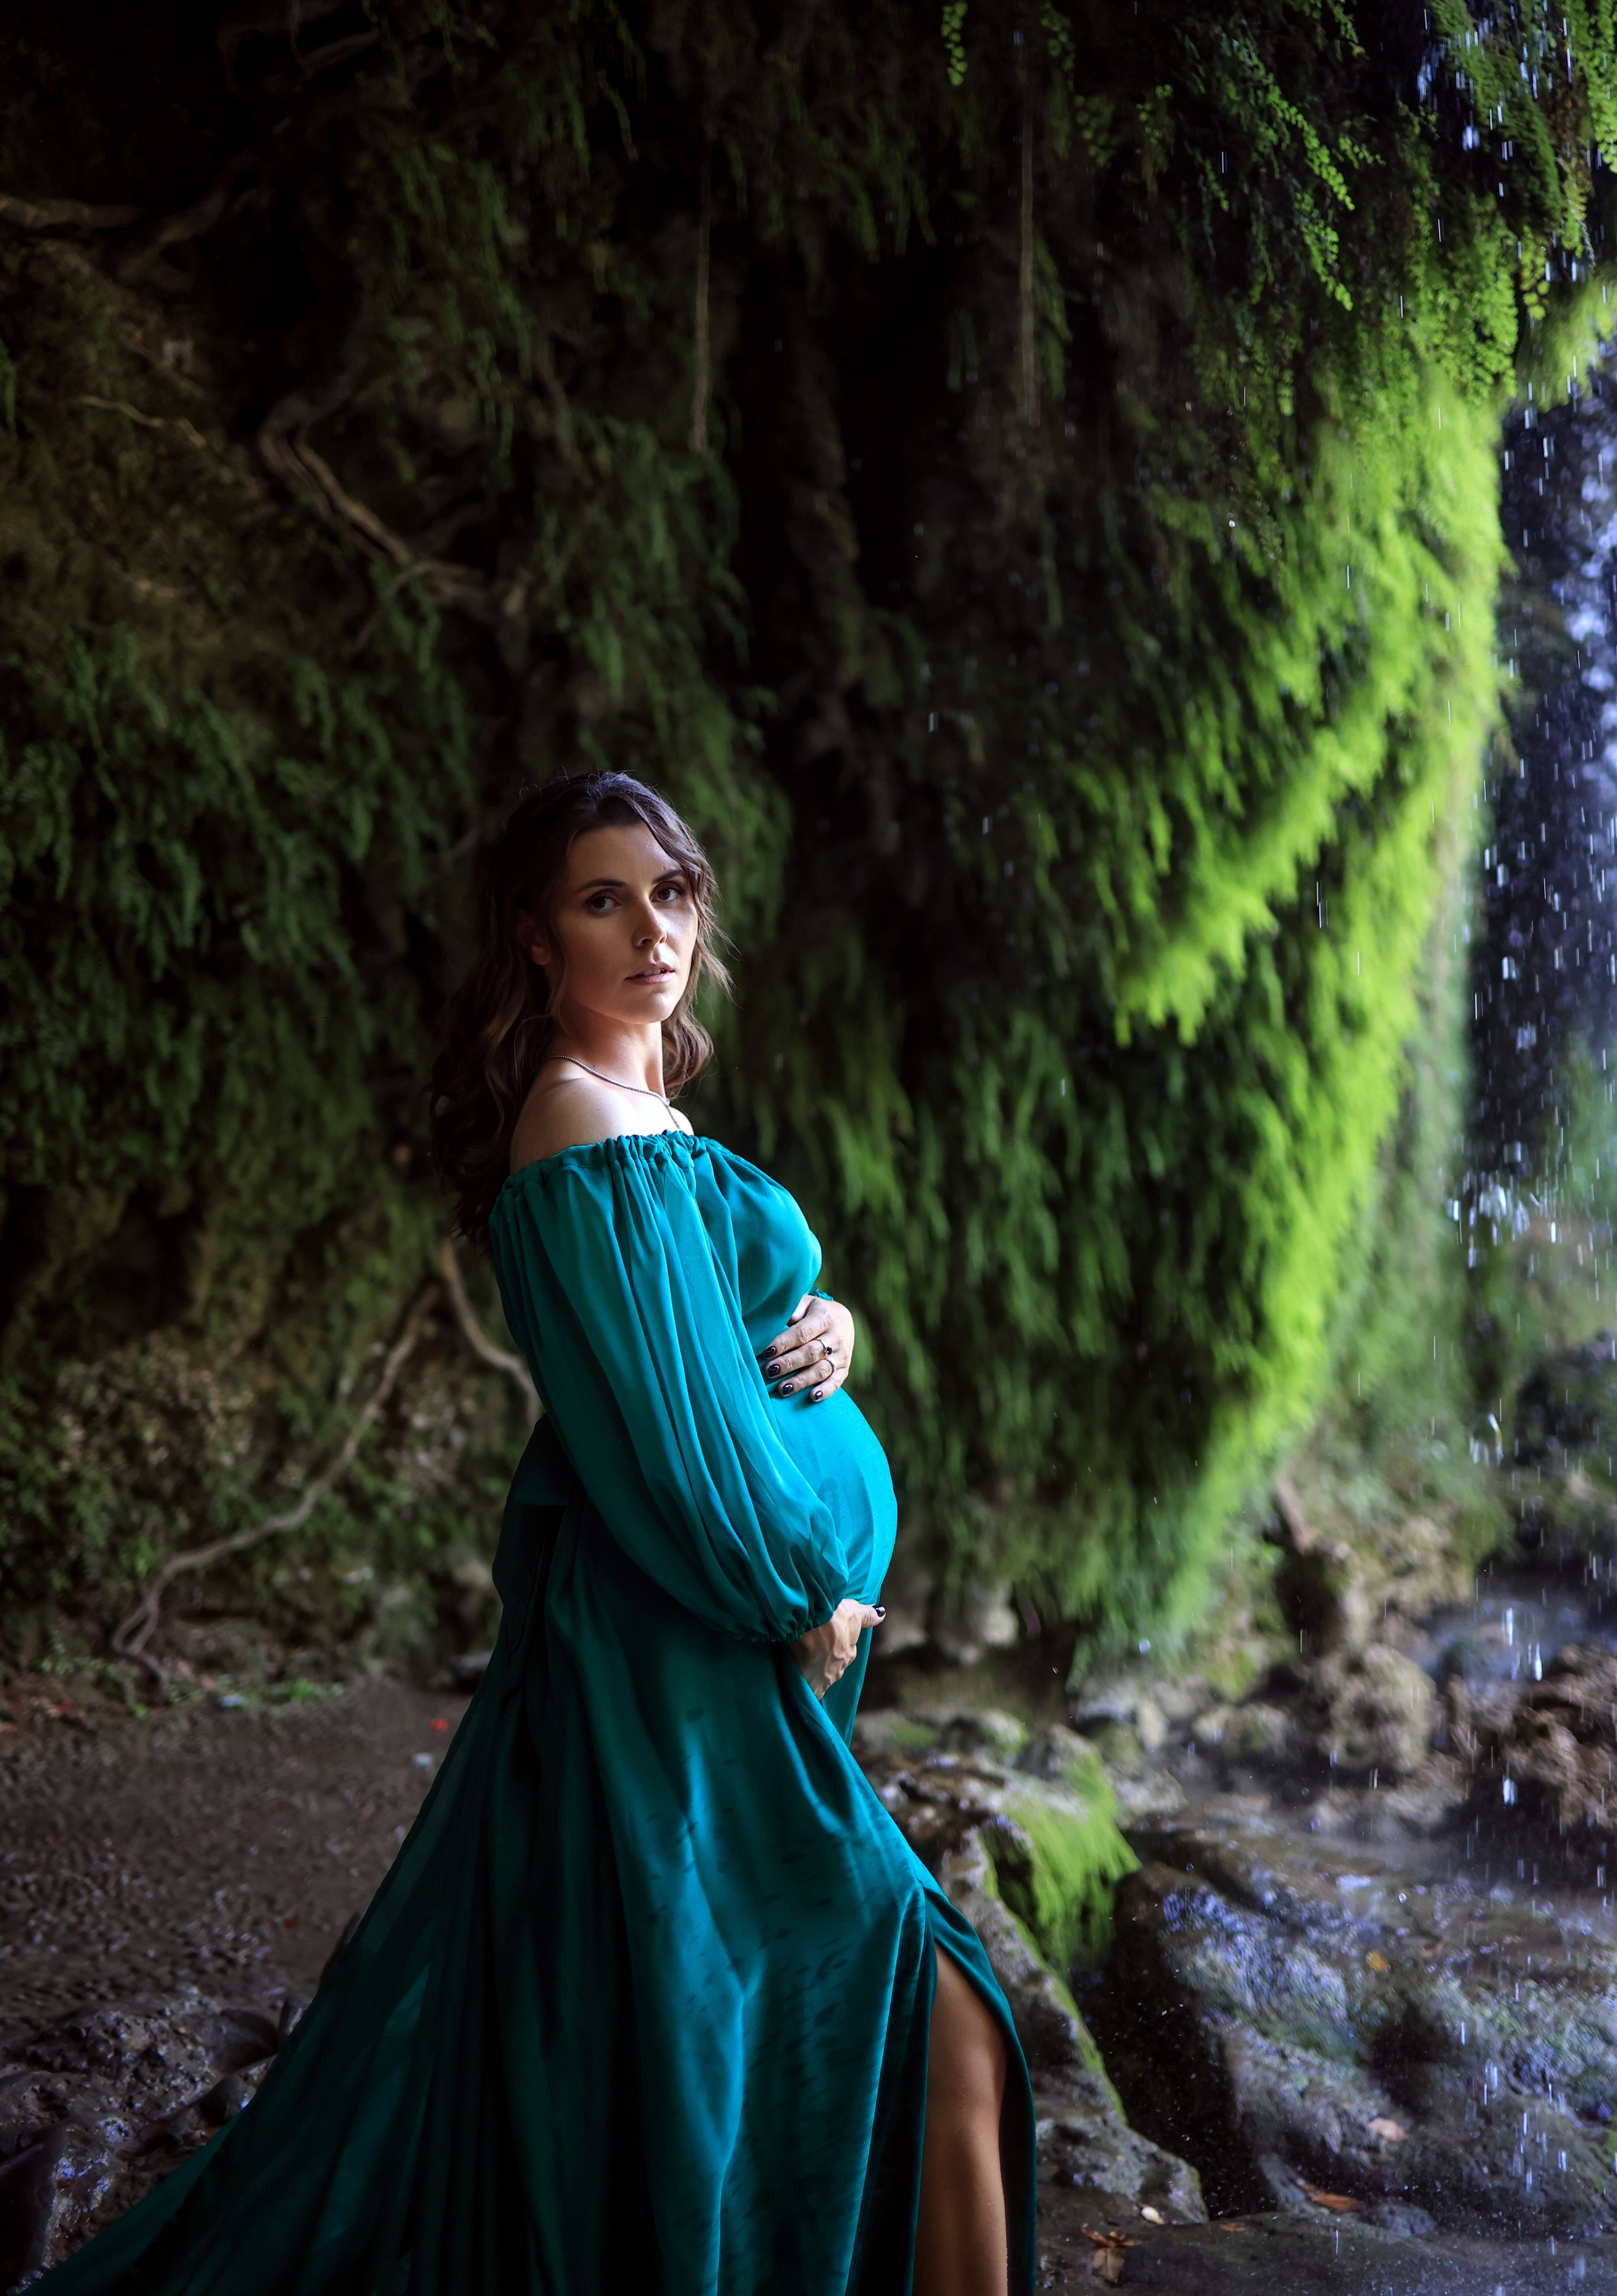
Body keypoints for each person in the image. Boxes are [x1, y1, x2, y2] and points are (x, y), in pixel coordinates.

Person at [36, 771, 1033, 2296]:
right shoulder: (571, 1122)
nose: (651, 930)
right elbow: (652, 1435)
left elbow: (720, 1350)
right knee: (898, 1990)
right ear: (532, 939)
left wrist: (830, 1323)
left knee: (786, 2010)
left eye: (671, 894)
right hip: (676, 1660)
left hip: (710, 1650)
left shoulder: (649, 1112)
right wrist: (799, 1591)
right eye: (603, 899)